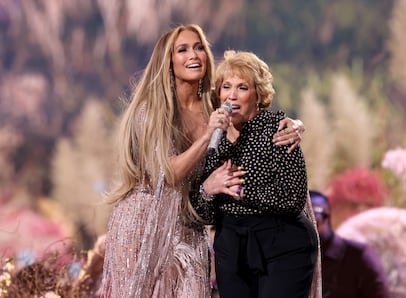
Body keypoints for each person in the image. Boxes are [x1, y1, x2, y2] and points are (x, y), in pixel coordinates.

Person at [100, 24, 305, 297]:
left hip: (189, 223)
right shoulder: (150, 111)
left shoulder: (214, 104)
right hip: (146, 222)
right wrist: (208, 134)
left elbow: (252, 112)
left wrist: (295, 124)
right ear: (167, 61)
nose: (193, 55)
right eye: (182, 49)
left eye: (198, 47)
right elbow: (168, 174)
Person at [190, 50, 320, 298]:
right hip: (231, 249)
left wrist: (242, 192)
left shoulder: (279, 129)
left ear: (258, 94)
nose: (232, 95)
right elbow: (204, 215)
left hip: (282, 245)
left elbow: (292, 199)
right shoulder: (212, 139)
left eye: (242, 88)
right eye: (226, 87)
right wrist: (208, 190)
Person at [309, 190, 390, 298]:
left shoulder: (359, 256)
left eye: (313, 215)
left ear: (326, 215)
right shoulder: (290, 258)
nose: (306, 222)